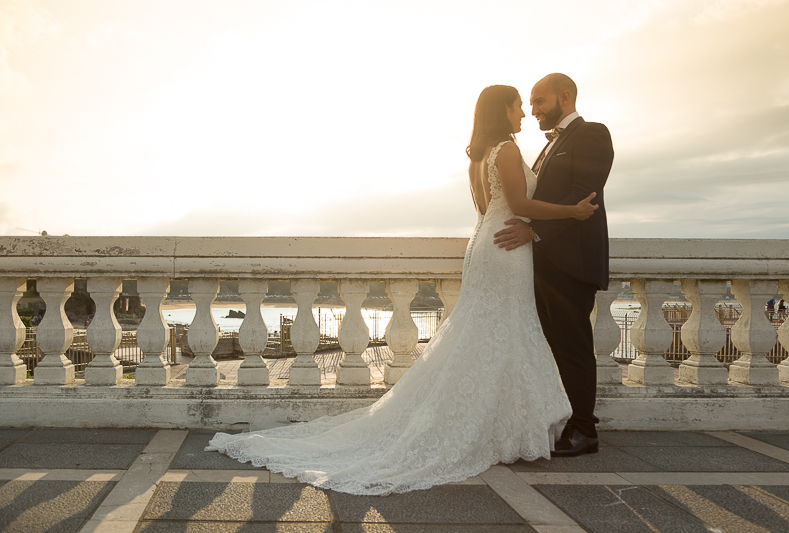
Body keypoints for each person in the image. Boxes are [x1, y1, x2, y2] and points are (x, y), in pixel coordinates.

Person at [206, 84, 597, 495]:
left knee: (487, 331)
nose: (523, 114)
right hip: (506, 248)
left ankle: (496, 422)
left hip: (484, 244)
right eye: (519, 106)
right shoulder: (508, 150)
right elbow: (518, 205)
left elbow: (489, 209)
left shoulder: (478, 156)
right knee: (505, 328)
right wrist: (572, 211)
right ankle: (502, 426)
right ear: (503, 108)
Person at [493, 73, 614, 457]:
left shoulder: (593, 134)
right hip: (545, 264)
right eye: (529, 103)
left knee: (575, 346)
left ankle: (584, 429)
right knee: (550, 346)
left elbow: (584, 197)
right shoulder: (548, 146)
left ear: (565, 96)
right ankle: (559, 420)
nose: (534, 110)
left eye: (540, 101)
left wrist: (533, 231)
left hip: (573, 263)